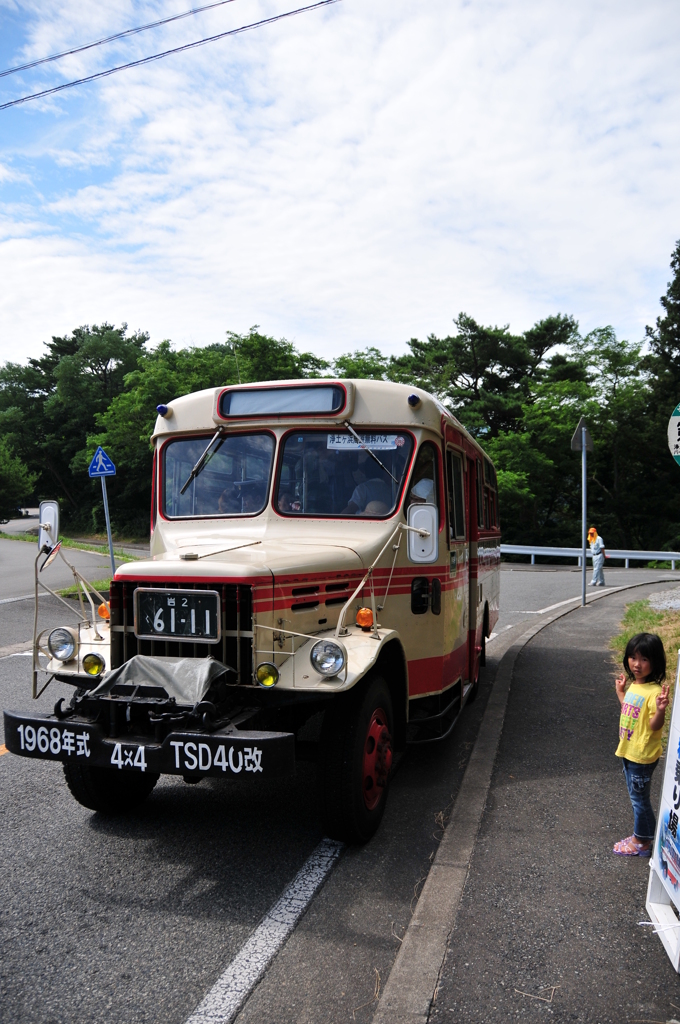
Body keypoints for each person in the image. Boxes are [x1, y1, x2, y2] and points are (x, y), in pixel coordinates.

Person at [612, 633, 670, 856]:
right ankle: (641, 834)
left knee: (639, 800)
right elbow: (630, 712)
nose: (637, 664)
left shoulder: (654, 692)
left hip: (642, 756)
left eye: (644, 659)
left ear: (655, 662)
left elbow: (654, 726)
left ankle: (642, 841)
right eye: (633, 657)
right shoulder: (636, 686)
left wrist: (661, 710)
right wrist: (620, 693)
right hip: (629, 751)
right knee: (636, 797)